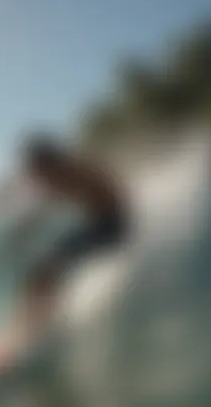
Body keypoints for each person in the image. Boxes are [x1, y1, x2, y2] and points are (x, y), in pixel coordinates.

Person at [7, 133, 131, 336]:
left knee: (48, 268)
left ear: (47, 162)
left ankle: (33, 324)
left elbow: (112, 195)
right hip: (98, 225)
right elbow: (42, 209)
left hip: (112, 228)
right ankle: (29, 321)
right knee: (41, 271)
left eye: (36, 169)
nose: (35, 176)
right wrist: (19, 234)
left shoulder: (76, 172)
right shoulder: (61, 176)